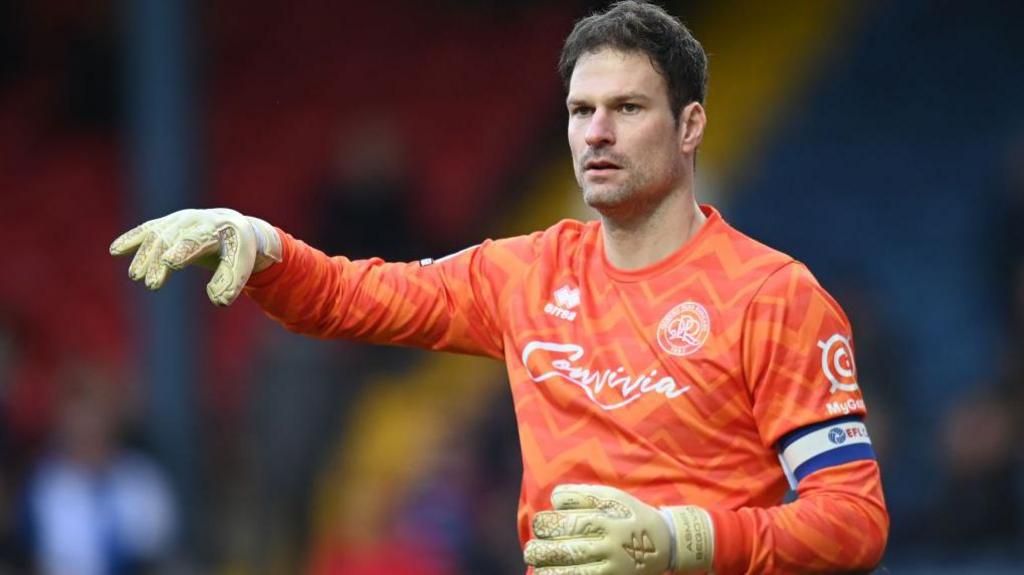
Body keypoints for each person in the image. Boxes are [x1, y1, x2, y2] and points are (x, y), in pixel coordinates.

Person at [109, 1, 888, 572]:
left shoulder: (776, 296)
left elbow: (854, 519)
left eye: (627, 108)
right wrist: (258, 241)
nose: (597, 133)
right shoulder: (527, 271)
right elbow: (352, 296)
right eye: (582, 110)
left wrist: (681, 540)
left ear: (690, 127)